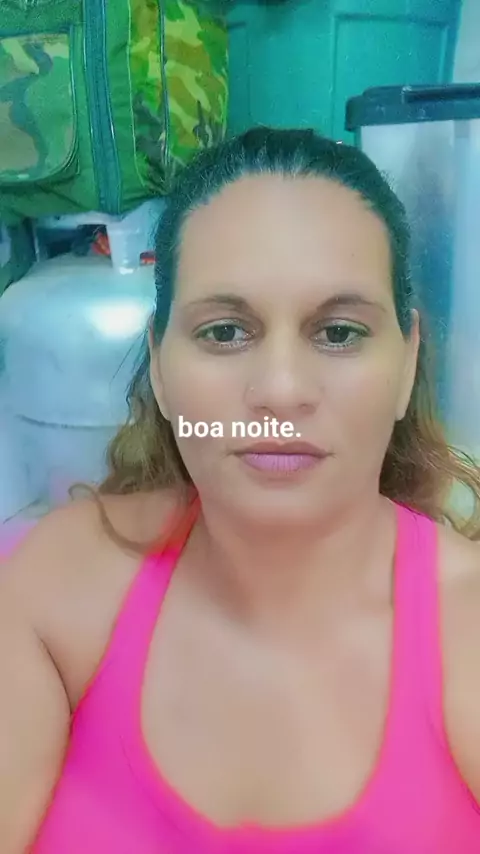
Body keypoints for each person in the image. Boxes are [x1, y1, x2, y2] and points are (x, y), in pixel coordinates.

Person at [2, 127, 480, 854]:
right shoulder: (54, 593)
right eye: (225, 332)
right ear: (161, 369)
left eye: (339, 333)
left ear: (407, 364)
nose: (281, 391)